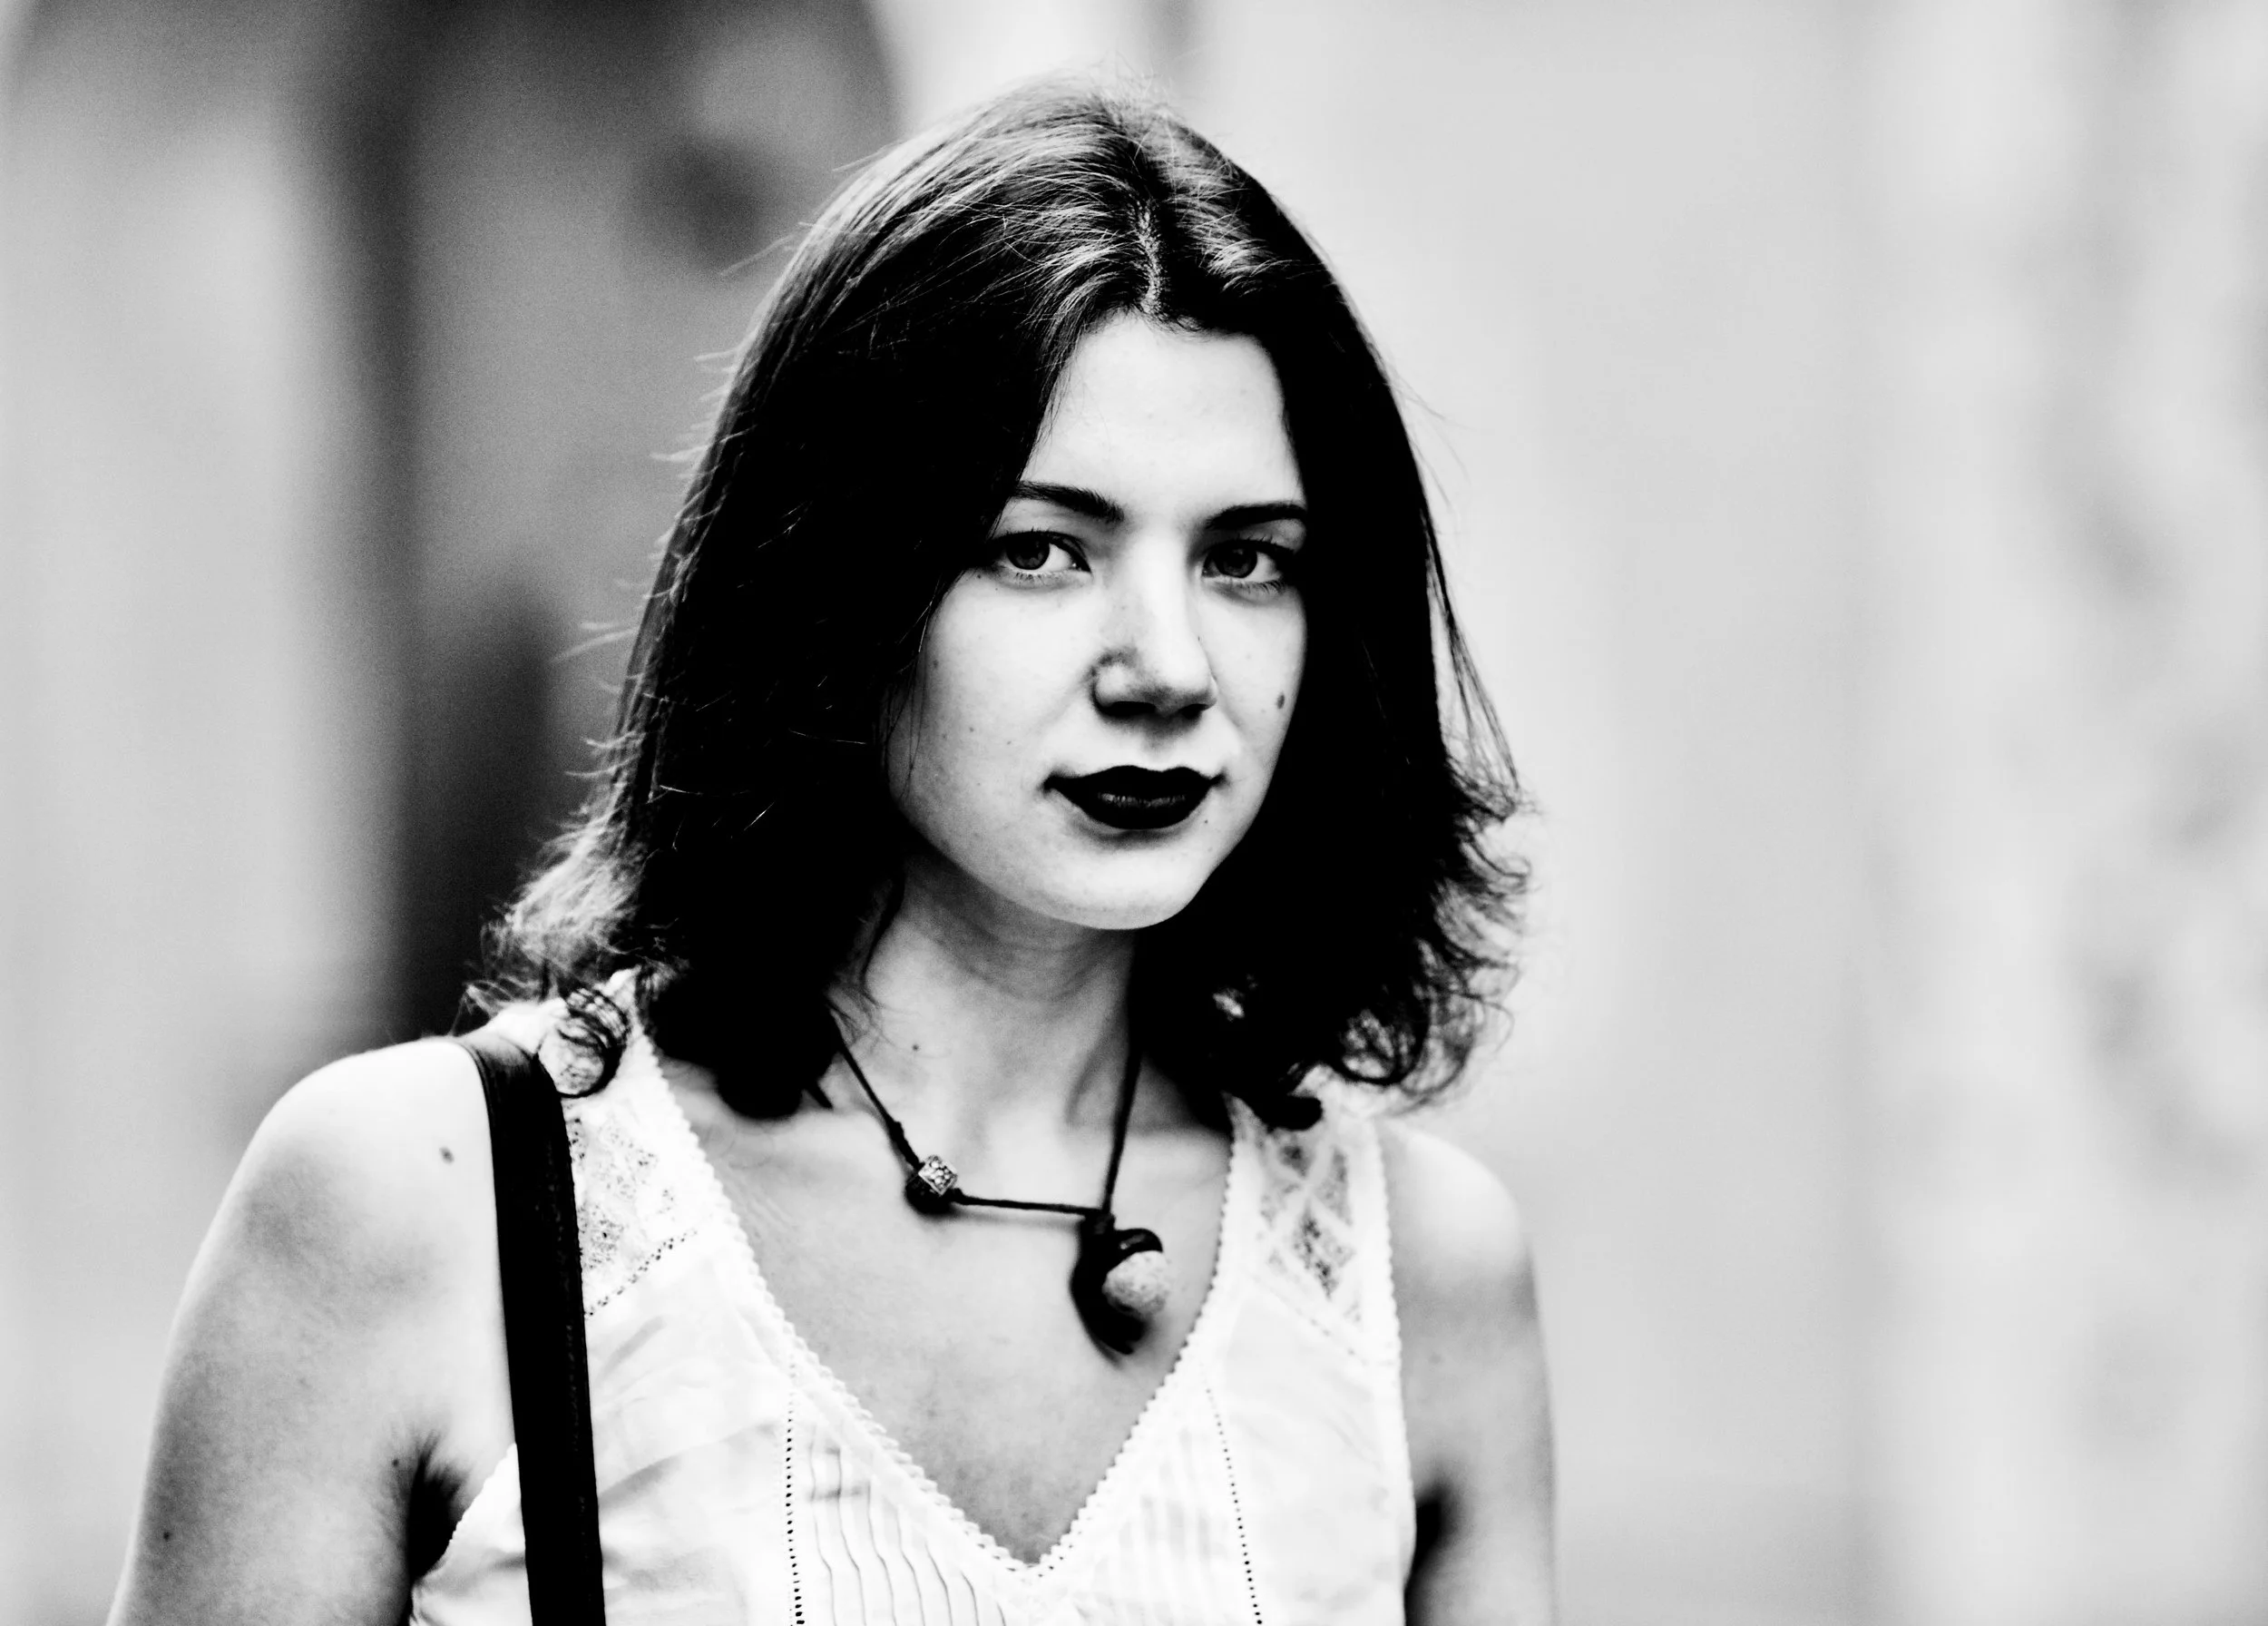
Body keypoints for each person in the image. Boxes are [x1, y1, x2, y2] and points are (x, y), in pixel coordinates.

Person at [108, 83, 1554, 1624]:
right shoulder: (416, 1207)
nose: (1168, 665)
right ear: (837, 578)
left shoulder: (1417, 1281)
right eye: (1040, 548)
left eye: (1246, 561)